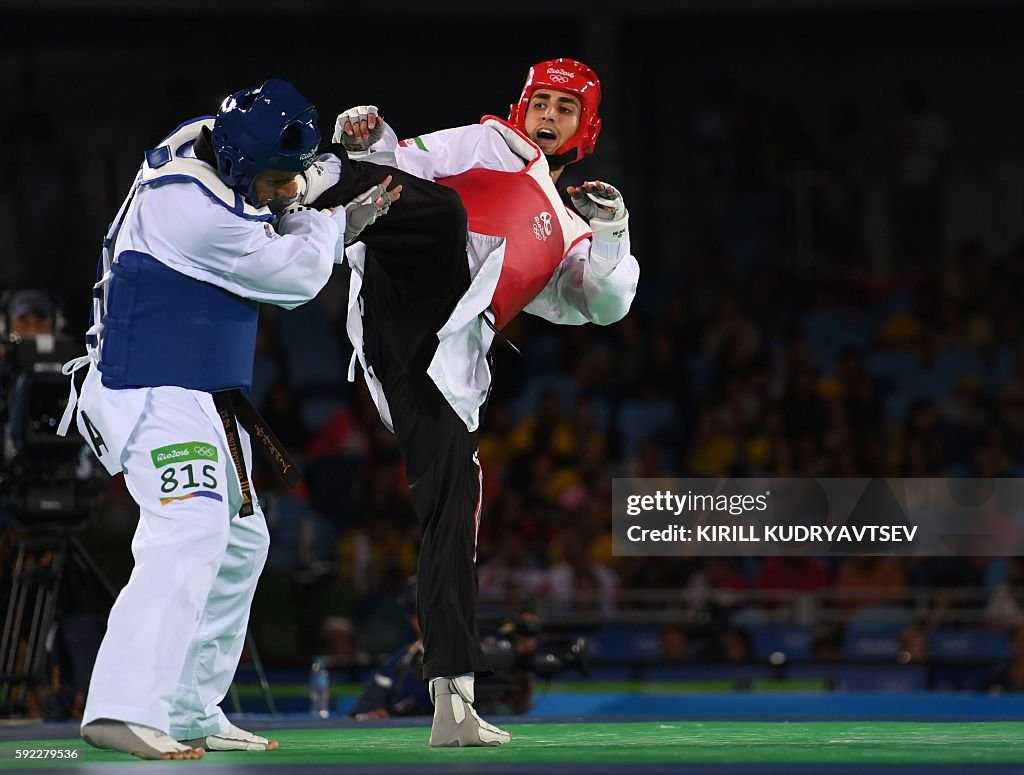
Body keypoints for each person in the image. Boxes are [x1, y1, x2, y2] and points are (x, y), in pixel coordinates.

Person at [56, 78, 401, 760]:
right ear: (244, 168)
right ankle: (122, 706)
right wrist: (333, 218)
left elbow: (288, 191)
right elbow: (298, 276)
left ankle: (187, 705)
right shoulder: (191, 208)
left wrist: (325, 166)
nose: (277, 195)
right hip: (148, 385)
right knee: (191, 527)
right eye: (272, 182)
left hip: (201, 390)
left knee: (242, 544)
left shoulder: (213, 145)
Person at [333, 58, 639, 747]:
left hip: (437, 361)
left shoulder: (569, 231)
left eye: (567, 108)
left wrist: (614, 231)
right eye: (543, 103)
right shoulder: (488, 143)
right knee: (440, 211)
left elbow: (603, 304)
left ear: (585, 126)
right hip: (401, 284)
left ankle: (454, 699)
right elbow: (402, 162)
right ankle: (314, 201)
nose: (550, 117)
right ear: (522, 106)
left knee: (453, 515)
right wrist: (369, 137)